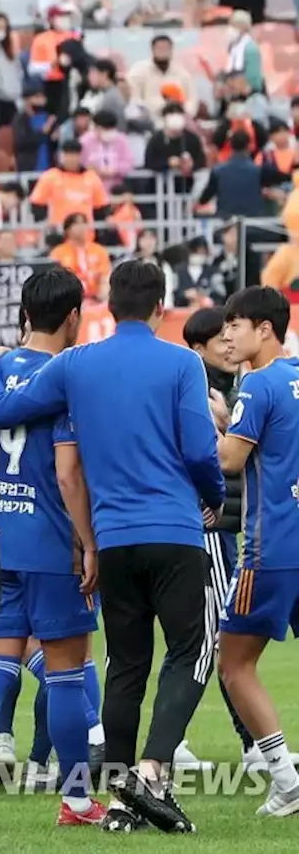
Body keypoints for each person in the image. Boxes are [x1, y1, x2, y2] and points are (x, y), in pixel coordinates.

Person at [0, 260, 226, 834]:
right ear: (162, 308)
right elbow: (201, 450)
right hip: (174, 530)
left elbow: (5, 409)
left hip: (110, 539)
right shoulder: (183, 362)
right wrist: (214, 498)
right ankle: (153, 772)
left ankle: (117, 795)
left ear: (107, 307)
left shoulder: (78, 363)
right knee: (190, 651)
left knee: (125, 664)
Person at [0, 268, 105, 827]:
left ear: (23, 313)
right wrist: (88, 543)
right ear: (72, 317)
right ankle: (79, 801)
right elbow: (68, 474)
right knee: (65, 673)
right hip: (52, 545)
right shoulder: (66, 378)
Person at [215, 286, 299, 817]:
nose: (228, 335)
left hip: (270, 548)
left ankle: (286, 777)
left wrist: (211, 418)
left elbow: (228, 460)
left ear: (264, 329)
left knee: (234, 664)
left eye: (236, 325)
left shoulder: (258, 385)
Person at [181, 307, 260, 769]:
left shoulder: (237, 388)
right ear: (200, 349)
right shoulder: (195, 391)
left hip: (232, 526)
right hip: (209, 524)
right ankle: (175, 743)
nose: (229, 344)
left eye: (232, 334)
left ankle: (251, 743)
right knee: (213, 634)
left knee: (224, 636)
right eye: (220, 339)